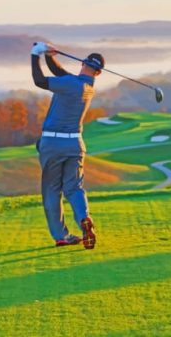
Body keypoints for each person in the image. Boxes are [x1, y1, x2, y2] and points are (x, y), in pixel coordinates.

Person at [31, 42, 104, 249]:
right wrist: (49, 56)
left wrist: (35, 54)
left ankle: (61, 235)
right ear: (98, 73)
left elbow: (39, 80)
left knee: (52, 189)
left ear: (82, 63)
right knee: (74, 187)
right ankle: (84, 218)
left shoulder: (71, 84)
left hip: (53, 143)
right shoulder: (87, 87)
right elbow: (60, 73)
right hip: (75, 144)